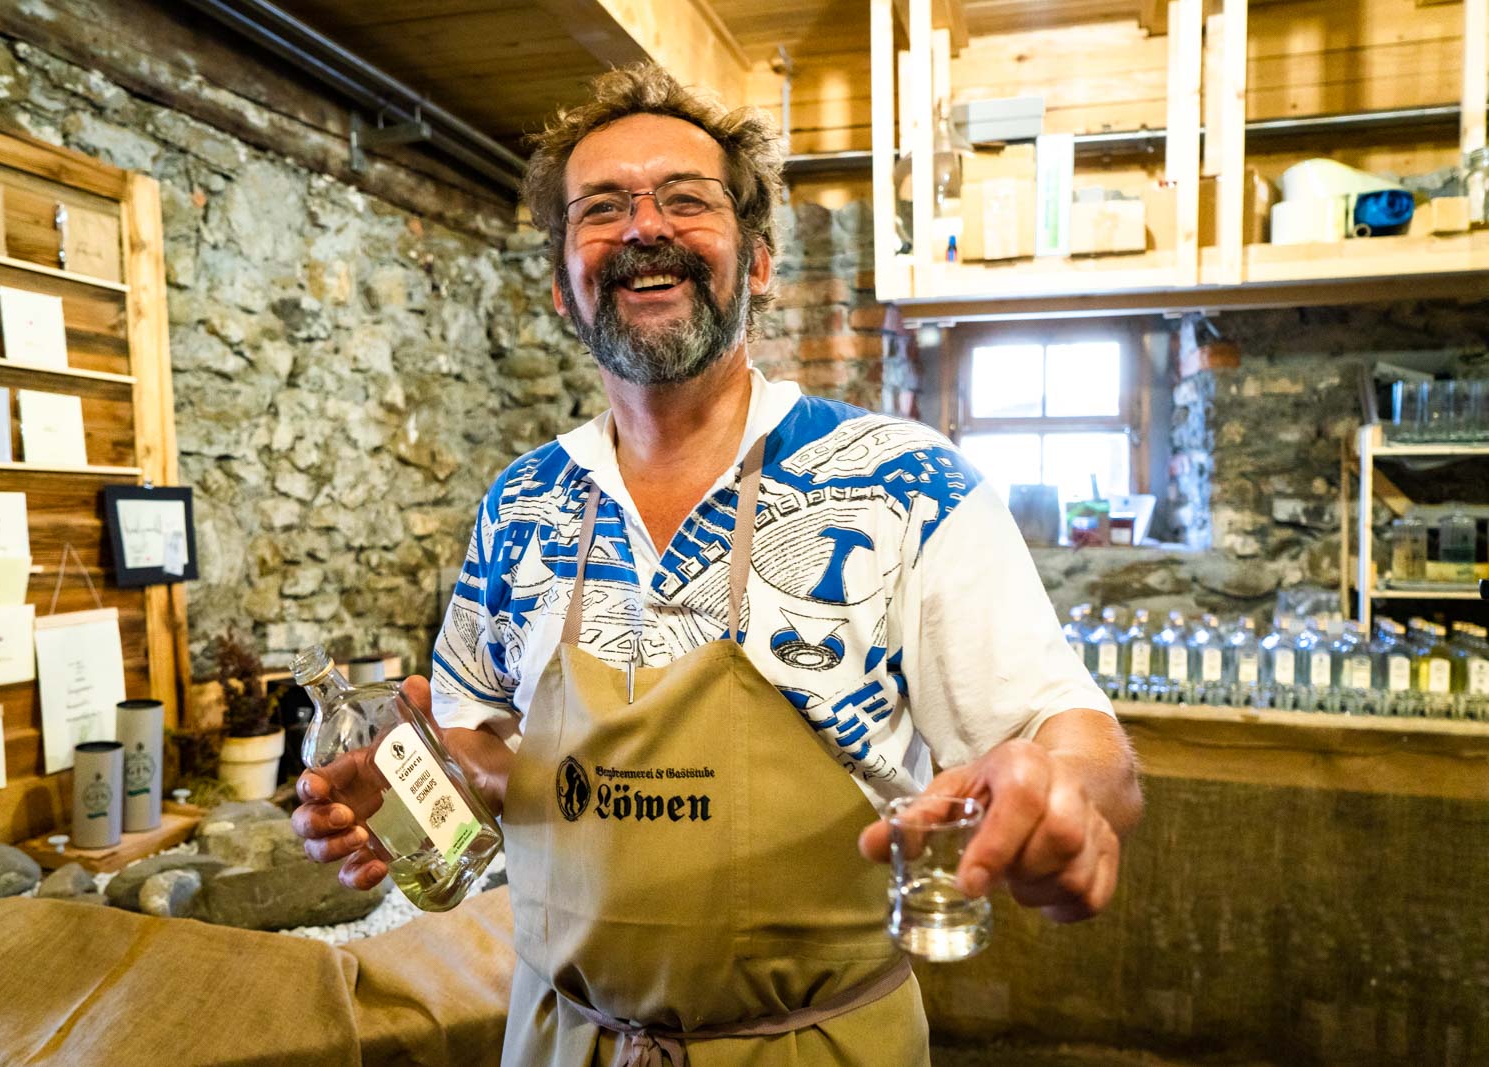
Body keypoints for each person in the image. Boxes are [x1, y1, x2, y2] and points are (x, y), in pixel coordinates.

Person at [293, 63, 1142, 1066]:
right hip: (564, 1039)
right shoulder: (521, 503)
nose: (643, 227)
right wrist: (406, 790)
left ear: (761, 261)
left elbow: (1082, 744)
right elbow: (488, 756)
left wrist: (1062, 790)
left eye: (685, 199)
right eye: (601, 208)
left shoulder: (901, 481)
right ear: (566, 286)